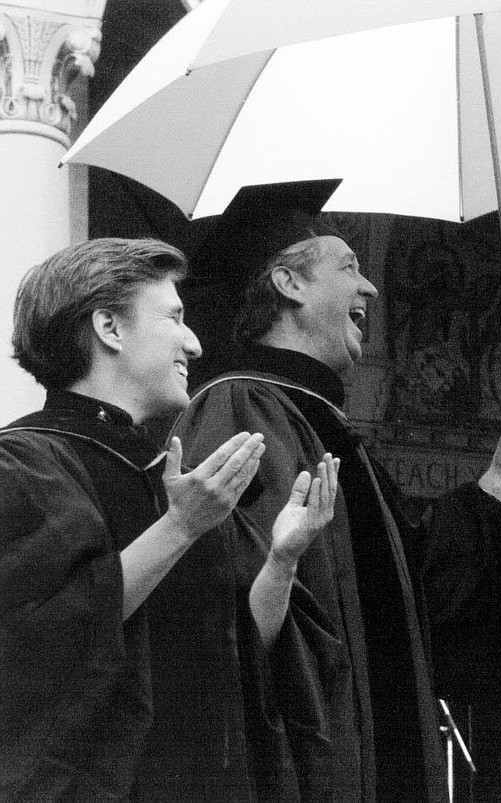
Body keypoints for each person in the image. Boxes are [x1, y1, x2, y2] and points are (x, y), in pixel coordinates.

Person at [171, 180, 501, 802]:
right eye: (348, 266)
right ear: (288, 284)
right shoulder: (240, 406)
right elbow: (232, 598)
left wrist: (496, 481)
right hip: (299, 754)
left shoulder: (330, 426)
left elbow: (410, 580)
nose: (371, 287)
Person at [0, 238, 338, 802]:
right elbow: (40, 643)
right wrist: (179, 529)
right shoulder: (26, 463)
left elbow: (234, 654)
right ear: (110, 327)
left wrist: (282, 559)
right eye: (174, 318)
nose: (196, 343)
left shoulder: (173, 480)